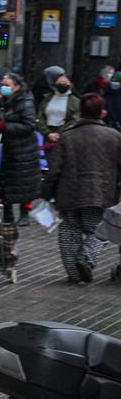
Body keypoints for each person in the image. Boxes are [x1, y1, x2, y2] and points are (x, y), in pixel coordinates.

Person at [43, 92, 121, 284]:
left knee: (69, 230)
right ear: (102, 113)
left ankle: (74, 273)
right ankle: (86, 257)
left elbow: (54, 169)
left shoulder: (66, 137)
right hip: (101, 192)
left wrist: (45, 193)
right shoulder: (114, 136)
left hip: (69, 192)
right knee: (97, 230)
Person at [0, 71, 41, 214]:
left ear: (16, 87)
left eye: (6, 85)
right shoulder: (0, 101)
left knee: (23, 182)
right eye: (2, 85)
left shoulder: (25, 102)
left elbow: (29, 125)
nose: (3, 87)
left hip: (22, 148)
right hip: (3, 147)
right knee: (4, 182)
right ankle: (7, 213)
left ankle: (24, 212)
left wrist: (5, 126)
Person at [38, 65, 83, 145]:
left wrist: (59, 133)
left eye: (65, 83)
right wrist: (47, 133)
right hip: (48, 135)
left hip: (66, 136)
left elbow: (75, 119)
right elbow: (40, 116)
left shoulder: (75, 101)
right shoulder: (47, 98)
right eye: (59, 83)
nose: (62, 84)